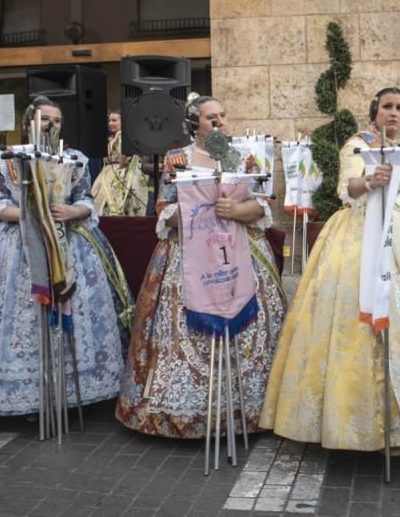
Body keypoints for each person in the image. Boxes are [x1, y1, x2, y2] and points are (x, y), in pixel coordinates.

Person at [260, 87, 400, 452]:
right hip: (360, 231)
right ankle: (357, 421)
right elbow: (348, 187)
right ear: (374, 113)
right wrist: (370, 180)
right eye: (387, 107)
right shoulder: (358, 144)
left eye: (399, 108)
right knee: (356, 316)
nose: (393, 113)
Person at [0, 97, 130, 417]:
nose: (51, 125)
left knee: (73, 314)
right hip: (18, 247)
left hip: (68, 242)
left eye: (56, 120)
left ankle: (74, 389)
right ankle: (25, 391)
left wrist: (70, 210)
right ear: (29, 123)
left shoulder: (73, 160)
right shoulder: (9, 159)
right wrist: (32, 215)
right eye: (45, 119)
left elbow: (86, 200)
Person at [116, 95, 286, 438]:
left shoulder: (241, 156)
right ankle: (186, 410)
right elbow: (164, 209)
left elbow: (262, 205)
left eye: (223, 115)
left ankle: (250, 405)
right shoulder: (177, 158)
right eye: (212, 118)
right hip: (189, 252)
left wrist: (236, 212)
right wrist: (195, 209)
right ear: (195, 125)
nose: (221, 122)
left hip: (239, 250)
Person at [92, 110, 148, 216]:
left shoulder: (122, 135)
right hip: (110, 169)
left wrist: (121, 165)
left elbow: (126, 152)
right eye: (109, 120)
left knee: (112, 198)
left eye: (114, 120)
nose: (110, 123)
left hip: (116, 171)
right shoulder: (116, 136)